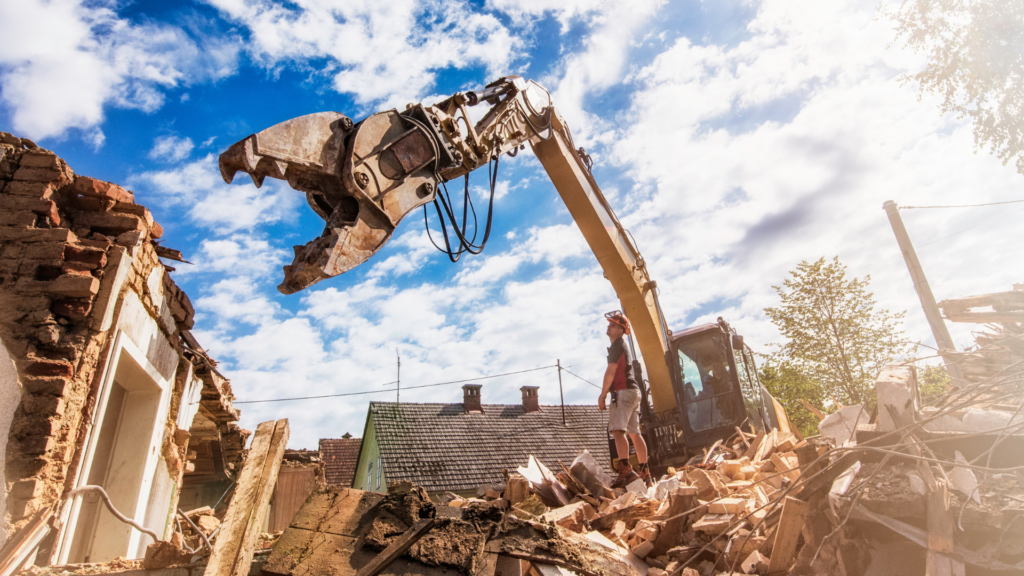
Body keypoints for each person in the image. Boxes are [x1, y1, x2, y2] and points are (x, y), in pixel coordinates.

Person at [598, 312, 653, 488]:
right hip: (634, 392)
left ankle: (625, 470)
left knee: (617, 431)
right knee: (634, 433)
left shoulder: (617, 345)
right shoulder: (623, 345)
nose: (609, 327)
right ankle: (645, 471)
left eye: (612, 325)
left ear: (621, 329)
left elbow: (611, 371)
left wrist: (603, 394)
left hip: (622, 391)